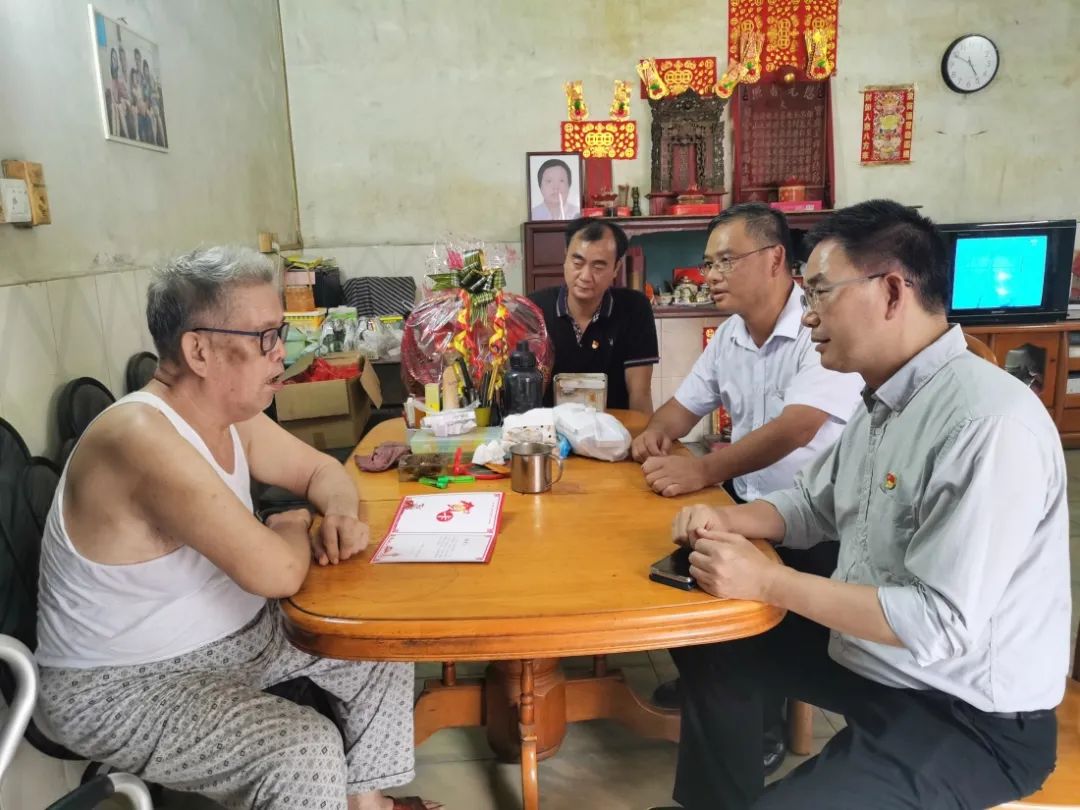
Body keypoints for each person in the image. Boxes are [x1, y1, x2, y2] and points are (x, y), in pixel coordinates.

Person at [657, 200, 1067, 810]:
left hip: (968, 713)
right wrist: (727, 518)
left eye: (821, 292)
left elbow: (938, 623)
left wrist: (768, 581)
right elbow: (813, 504)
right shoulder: (884, 399)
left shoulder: (987, 423)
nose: (808, 314)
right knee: (711, 640)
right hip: (878, 663)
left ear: (893, 291)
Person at [34, 247, 438, 810]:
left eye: (281, 333)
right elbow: (278, 573)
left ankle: (366, 804)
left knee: (377, 641)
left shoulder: (228, 415)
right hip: (121, 684)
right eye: (265, 337)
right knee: (302, 751)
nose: (283, 353)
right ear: (198, 350)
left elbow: (324, 472)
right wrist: (290, 522)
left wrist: (339, 514)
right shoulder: (141, 439)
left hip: (232, 638)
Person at [635, 204, 863, 770]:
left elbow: (797, 427)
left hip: (818, 523)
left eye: (725, 261)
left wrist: (702, 471)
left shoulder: (817, 327)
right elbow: (683, 407)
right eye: (708, 263)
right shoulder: (731, 335)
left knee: (732, 603)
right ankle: (711, 681)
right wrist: (655, 434)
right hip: (749, 504)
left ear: (775, 259)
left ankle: (757, 718)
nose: (709, 275)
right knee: (671, 569)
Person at [528, 217, 658, 412]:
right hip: (550, 428)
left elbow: (640, 393)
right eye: (577, 262)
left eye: (598, 266)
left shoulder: (635, 308)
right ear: (565, 258)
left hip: (614, 427)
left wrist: (644, 431)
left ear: (616, 268)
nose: (585, 276)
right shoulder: (534, 309)